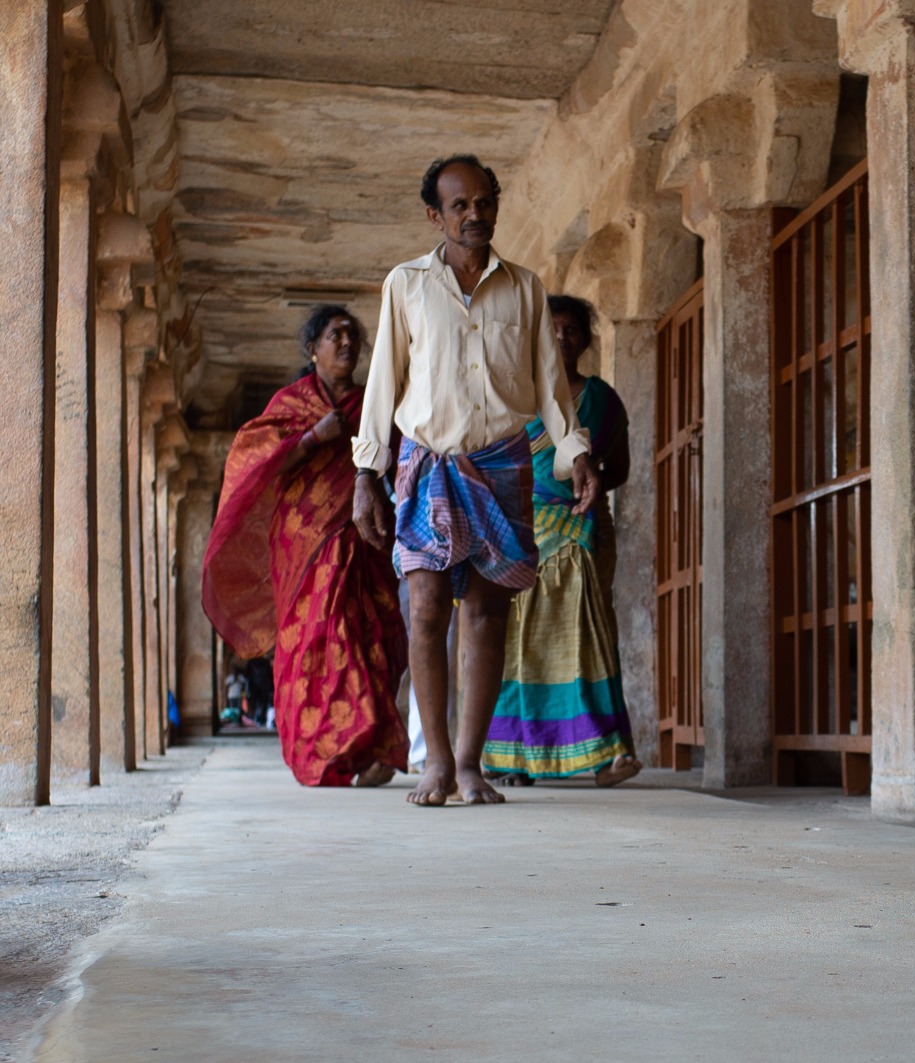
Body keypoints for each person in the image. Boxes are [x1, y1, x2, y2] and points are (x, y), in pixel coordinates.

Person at [351, 154, 599, 807]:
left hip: (502, 460)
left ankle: (468, 764)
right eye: (459, 206)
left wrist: (577, 455)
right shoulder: (405, 285)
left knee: (488, 613)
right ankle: (432, 765)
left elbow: (551, 386)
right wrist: (365, 472)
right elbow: (385, 380)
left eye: (484, 202)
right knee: (426, 607)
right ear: (435, 215)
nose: (475, 215)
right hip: (426, 461)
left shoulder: (524, 288)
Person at [202, 306, 409, 787]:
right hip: (306, 544)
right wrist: (314, 438)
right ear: (312, 349)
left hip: (367, 538)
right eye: (335, 335)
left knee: (376, 638)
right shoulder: (291, 404)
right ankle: (328, 749)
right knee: (319, 639)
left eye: (353, 335)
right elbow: (254, 464)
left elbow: (403, 456)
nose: (346, 343)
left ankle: (372, 745)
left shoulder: (374, 405)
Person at [482, 295, 640, 787]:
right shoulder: (512, 395)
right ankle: (515, 759)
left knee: (585, 633)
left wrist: (587, 476)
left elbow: (622, 468)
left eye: (571, 330)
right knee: (517, 639)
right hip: (518, 529)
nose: (561, 338)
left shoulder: (601, 398)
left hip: (580, 525)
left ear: (586, 340)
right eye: (551, 329)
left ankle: (607, 753)